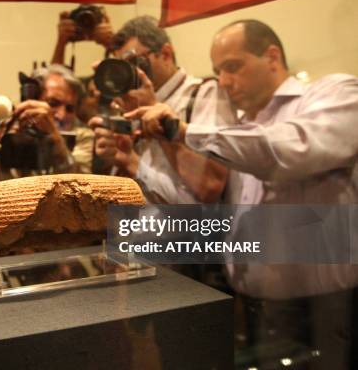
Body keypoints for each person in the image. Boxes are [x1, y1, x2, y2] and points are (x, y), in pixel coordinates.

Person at [130, 19, 358, 369]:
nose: (223, 82)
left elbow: (289, 149)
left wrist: (182, 130)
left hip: (326, 306)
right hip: (255, 305)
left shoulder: (335, 93)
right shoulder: (235, 124)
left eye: (233, 67)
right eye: (218, 71)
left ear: (271, 56)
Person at [90, 16, 235, 204]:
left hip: (187, 231)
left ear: (166, 54)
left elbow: (209, 186)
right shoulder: (130, 102)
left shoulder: (203, 93)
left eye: (134, 62)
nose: (129, 72)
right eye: (122, 66)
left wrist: (158, 120)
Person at [9, 64, 94, 175]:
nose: (62, 115)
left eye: (70, 109)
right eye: (53, 103)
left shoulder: (83, 137)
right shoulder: (13, 128)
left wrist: (56, 140)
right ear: (33, 99)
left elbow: (81, 183)